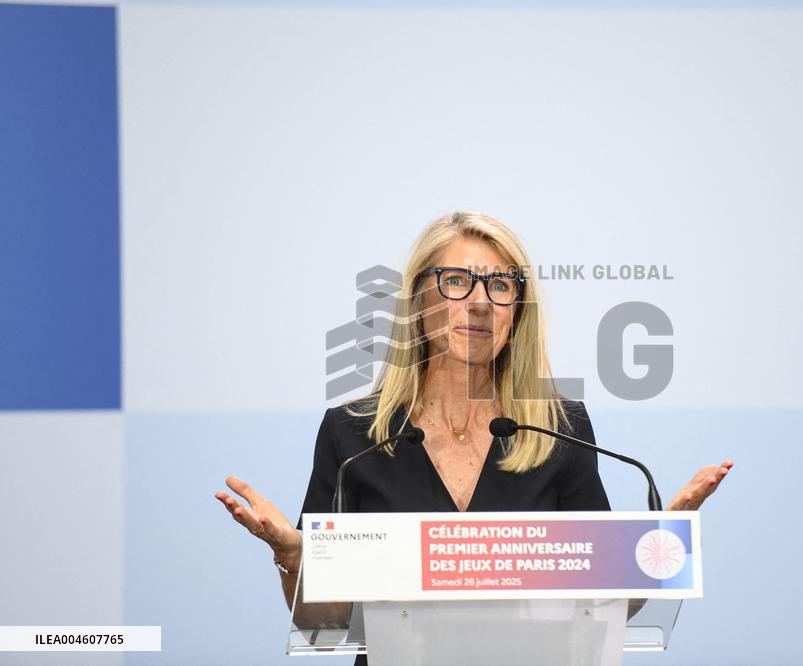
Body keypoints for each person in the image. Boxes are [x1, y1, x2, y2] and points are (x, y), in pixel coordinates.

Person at [215, 211, 733, 648]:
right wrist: (292, 556)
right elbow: (321, 620)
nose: (481, 302)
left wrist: (658, 546)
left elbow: (601, 597)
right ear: (419, 300)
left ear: (516, 312)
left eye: (501, 285)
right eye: (457, 281)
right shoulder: (352, 436)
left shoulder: (558, 429)